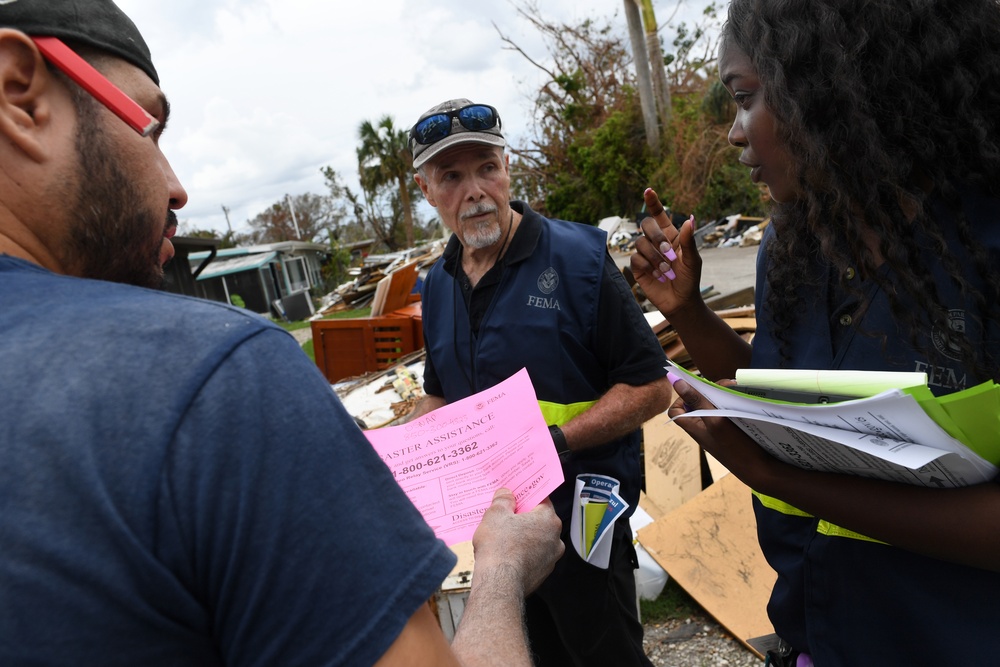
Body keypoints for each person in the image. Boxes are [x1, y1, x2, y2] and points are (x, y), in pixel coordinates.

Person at [0, 3, 565, 665]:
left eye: (485, 168)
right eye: (151, 128)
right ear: (20, 95)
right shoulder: (222, 378)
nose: (176, 187)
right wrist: (499, 573)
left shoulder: (574, 261)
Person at [631, 0, 1000, 665]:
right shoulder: (794, 247)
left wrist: (772, 473)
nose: (734, 133)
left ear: (836, 85)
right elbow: (798, 403)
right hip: (820, 636)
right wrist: (690, 314)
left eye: (746, 99)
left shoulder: (983, 245)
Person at [407, 98, 673, 667]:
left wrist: (558, 441)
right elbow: (439, 392)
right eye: (451, 176)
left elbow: (652, 386)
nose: (475, 190)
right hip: (501, 536)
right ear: (426, 190)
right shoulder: (436, 286)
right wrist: (406, 451)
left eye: (486, 168)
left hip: (585, 524)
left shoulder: (578, 261)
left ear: (507, 167)